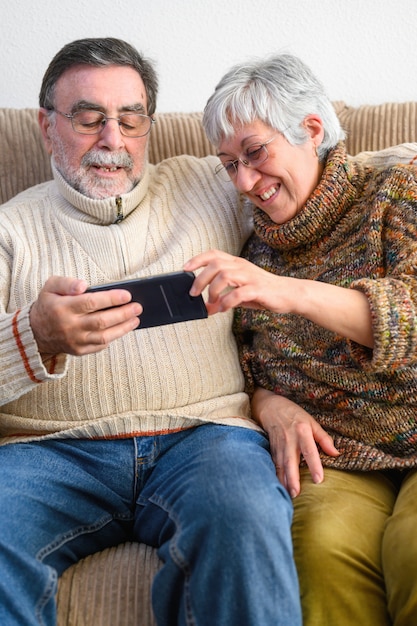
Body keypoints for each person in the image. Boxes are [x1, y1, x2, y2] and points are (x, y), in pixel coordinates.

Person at [0, 39, 302, 626]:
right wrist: (34, 335)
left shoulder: (211, 183)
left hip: (204, 438)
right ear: (46, 126)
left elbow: (314, 181)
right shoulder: (10, 231)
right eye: (89, 119)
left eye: (131, 119)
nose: (112, 140)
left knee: (243, 518)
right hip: (49, 454)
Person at [185, 53, 417, 626]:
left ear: (311, 130)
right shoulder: (252, 248)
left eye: (255, 153)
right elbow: (241, 363)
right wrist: (270, 404)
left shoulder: (398, 193)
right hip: (336, 458)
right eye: (229, 164)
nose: (244, 182)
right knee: (318, 546)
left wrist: (289, 291)